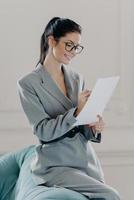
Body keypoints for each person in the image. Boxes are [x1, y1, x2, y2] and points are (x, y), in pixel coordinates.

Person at [17, 17, 121, 200]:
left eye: (77, 47)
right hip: (56, 164)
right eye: (69, 45)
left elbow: (81, 126)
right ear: (51, 40)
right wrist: (76, 112)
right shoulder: (28, 84)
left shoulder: (76, 78)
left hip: (85, 160)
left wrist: (93, 127)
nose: (73, 51)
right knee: (112, 195)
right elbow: (42, 131)